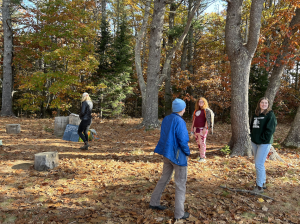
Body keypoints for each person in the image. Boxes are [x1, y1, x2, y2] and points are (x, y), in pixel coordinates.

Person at [149, 98, 190, 220]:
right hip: (177, 156)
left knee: (164, 178)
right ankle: (179, 214)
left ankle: (154, 202)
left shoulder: (167, 119)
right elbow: (183, 140)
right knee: (180, 184)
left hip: (167, 154)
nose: (184, 109)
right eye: (184, 107)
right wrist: (187, 152)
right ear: (182, 109)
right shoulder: (180, 121)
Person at [250, 97, 277, 193]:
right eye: (262, 102)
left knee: (259, 164)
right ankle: (263, 182)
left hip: (264, 143)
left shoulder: (270, 115)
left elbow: (270, 130)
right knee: (260, 164)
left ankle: (259, 187)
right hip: (254, 141)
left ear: (268, 104)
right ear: (259, 103)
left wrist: (262, 139)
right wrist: (252, 136)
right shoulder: (256, 114)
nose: (264, 104)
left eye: (266, 103)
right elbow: (252, 126)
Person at [190, 97, 214, 162]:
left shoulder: (206, 110)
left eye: (202, 102)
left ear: (204, 102)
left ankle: (202, 157)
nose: (200, 103)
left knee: (202, 143)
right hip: (196, 129)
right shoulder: (196, 111)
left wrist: (205, 128)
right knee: (198, 143)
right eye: (199, 102)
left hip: (202, 129)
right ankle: (201, 154)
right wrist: (192, 129)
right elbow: (194, 120)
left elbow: (207, 120)